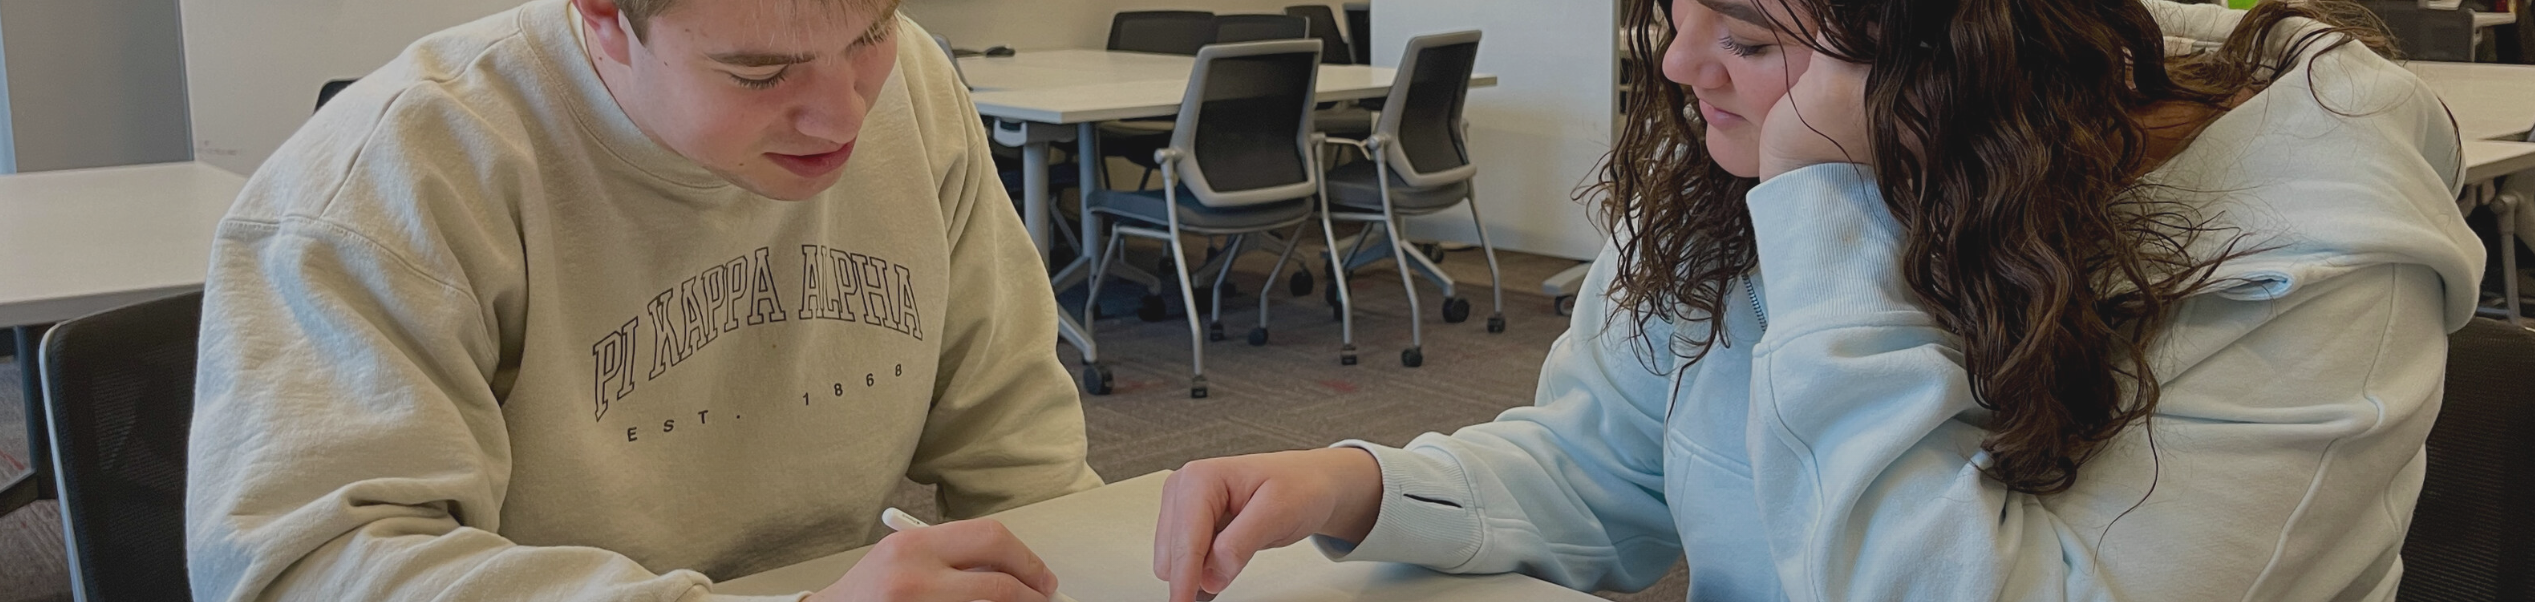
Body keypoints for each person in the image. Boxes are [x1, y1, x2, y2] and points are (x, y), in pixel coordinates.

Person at [1152, 0, 2484, 600]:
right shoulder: (1744, 165)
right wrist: (1357, 485)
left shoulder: (2303, 254)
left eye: (1745, 34)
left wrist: (1826, 219)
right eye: (1678, 7)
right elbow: (1605, 468)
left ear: (1952, 53)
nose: (1680, 63)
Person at [185, 0, 1101, 599]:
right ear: (603, 16)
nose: (845, 114)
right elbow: (309, 570)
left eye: (871, 31)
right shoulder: (392, 180)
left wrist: (1113, 557)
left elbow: (1019, 450)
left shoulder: (918, 90)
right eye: (759, 72)